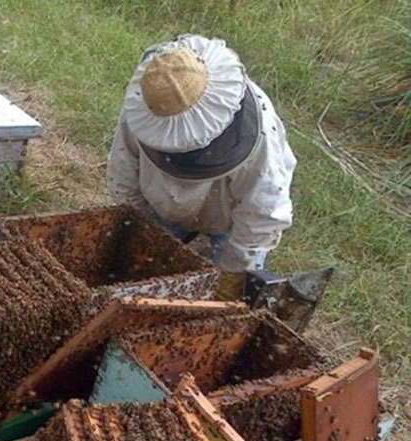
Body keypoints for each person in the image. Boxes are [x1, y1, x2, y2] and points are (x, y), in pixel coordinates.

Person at [107, 34, 296, 301]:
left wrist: (232, 274)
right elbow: (123, 173)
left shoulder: (258, 139)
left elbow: (261, 214)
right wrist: (142, 229)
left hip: (227, 213)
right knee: (139, 268)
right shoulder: (153, 97)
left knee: (231, 292)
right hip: (162, 202)